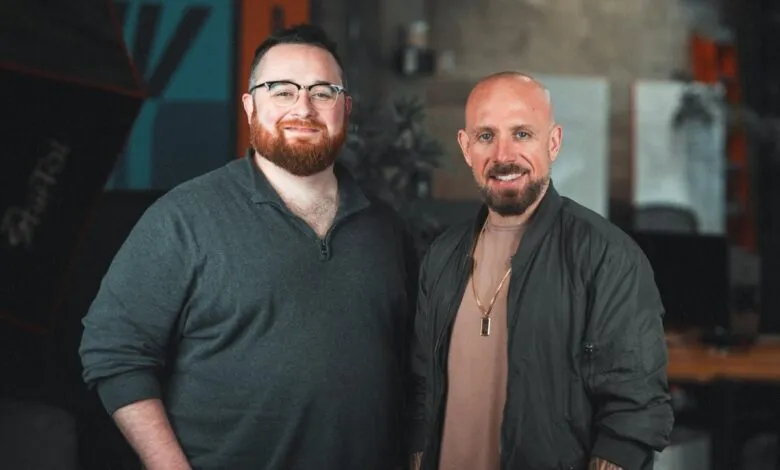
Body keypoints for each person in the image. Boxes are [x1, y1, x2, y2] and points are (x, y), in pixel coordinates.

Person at [80, 24, 417, 470]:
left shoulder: (386, 231)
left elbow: (418, 369)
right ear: (249, 105)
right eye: (281, 91)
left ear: (345, 108)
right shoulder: (184, 218)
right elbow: (112, 352)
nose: (303, 107)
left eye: (323, 92)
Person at [408, 72, 674, 470]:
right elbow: (420, 386)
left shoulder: (608, 256)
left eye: (521, 134)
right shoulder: (442, 255)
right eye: (486, 136)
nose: (503, 155)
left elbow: (634, 410)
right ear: (466, 148)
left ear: (553, 142)